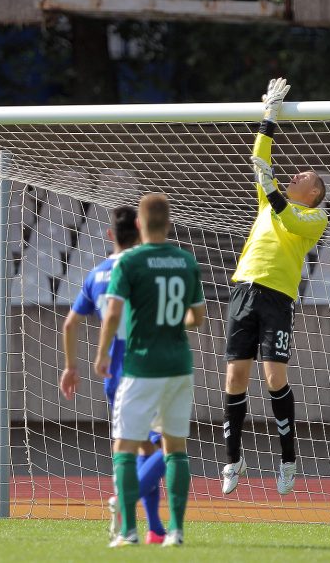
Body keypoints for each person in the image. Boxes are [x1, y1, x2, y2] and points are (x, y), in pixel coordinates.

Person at [220, 77, 329, 497]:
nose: (295, 172)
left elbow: (290, 220)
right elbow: (259, 157)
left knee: (273, 377)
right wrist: (271, 113)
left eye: (304, 174)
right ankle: (233, 459)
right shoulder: (270, 198)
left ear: (313, 192)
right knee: (235, 378)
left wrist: (270, 188)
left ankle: (287, 459)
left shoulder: (315, 219)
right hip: (244, 290)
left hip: (277, 298)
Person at [94, 193, 205, 547]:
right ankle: (176, 532)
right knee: (176, 448)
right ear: (169, 223)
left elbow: (112, 315)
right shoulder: (186, 261)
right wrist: (170, 322)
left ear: (140, 225)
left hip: (142, 365)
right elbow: (197, 317)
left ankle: (128, 532)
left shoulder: (130, 262)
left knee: (125, 446)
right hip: (178, 365)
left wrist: (101, 355)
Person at [59, 205, 168, 544]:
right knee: (169, 447)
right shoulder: (145, 269)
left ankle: (152, 529)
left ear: (110, 236)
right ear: (140, 231)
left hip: (113, 375)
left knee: (141, 450)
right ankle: (123, 499)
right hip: (146, 365)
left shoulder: (96, 274)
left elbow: (70, 323)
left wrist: (71, 367)